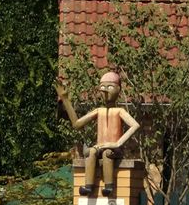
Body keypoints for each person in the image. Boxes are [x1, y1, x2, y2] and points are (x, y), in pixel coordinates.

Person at [58, 70, 143, 198]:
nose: (105, 90)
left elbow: (135, 125)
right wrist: (65, 100)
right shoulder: (99, 111)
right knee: (91, 152)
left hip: (113, 149)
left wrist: (117, 143)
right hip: (100, 146)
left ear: (118, 89)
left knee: (107, 153)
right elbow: (76, 124)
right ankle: (88, 186)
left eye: (110, 87)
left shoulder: (119, 111)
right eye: (102, 87)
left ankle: (109, 186)